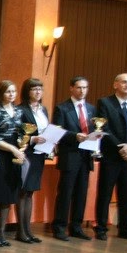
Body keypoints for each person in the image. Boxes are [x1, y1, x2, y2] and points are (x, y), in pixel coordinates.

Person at [94, 73, 127, 242]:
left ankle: (126, 228)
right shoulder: (105, 103)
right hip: (112, 156)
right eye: (124, 82)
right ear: (115, 84)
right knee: (105, 194)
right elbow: (104, 128)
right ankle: (101, 228)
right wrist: (120, 147)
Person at [50, 76, 95, 242]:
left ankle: (76, 226)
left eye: (85, 88)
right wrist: (74, 136)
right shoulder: (62, 108)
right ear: (71, 88)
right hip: (70, 155)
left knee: (81, 193)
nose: (82, 91)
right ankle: (59, 227)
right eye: (79, 87)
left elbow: (94, 129)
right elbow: (58, 132)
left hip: (86, 156)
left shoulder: (91, 109)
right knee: (65, 193)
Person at [0, 80, 28, 247]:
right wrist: (12, 148)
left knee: (8, 195)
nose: (11, 95)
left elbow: (22, 132)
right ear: (1, 93)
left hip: (14, 154)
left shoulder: (18, 111)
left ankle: (1, 231)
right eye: (8, 91)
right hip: (0, 154)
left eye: (13, 91)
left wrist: (23, 144)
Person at [15, 78, 50, 243]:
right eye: (34, 89)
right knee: (23, 192)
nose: (38, 92)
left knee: (30, 192)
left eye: (40, 89)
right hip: (26, 154)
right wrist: (32, 139)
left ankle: (28, 230)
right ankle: (20, 231)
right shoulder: (20, 110)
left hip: (39, 155)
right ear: (27, 91)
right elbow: (16, 133)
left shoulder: (44, 110)